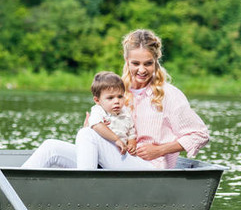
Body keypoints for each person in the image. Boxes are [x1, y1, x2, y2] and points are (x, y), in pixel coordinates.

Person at [21, 29, 209, 169]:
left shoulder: (168, 94)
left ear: (156, 62)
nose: (141, 70)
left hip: (150, 167)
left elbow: (199, 134)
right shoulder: (118, 90)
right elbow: (102, 130)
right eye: (135, 63)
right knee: (51, 147)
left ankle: (83, 187)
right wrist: (92, 127)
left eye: (148, 64)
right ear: (127, 60)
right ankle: (8, 196)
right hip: (117, 156)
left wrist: (159, 150)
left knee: (87, 134)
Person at [76, 70, 153, 170]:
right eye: (110, 98)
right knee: (49, 146)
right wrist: (116, 139)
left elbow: (131, 133)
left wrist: (131, 145)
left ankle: (86, 180)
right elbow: (96, 124)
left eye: (120, 96)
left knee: (85, 133)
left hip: (119, 154)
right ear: (97, 100)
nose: (116, 101)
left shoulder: (125, 113)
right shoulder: (98, 110)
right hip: (103, 151)